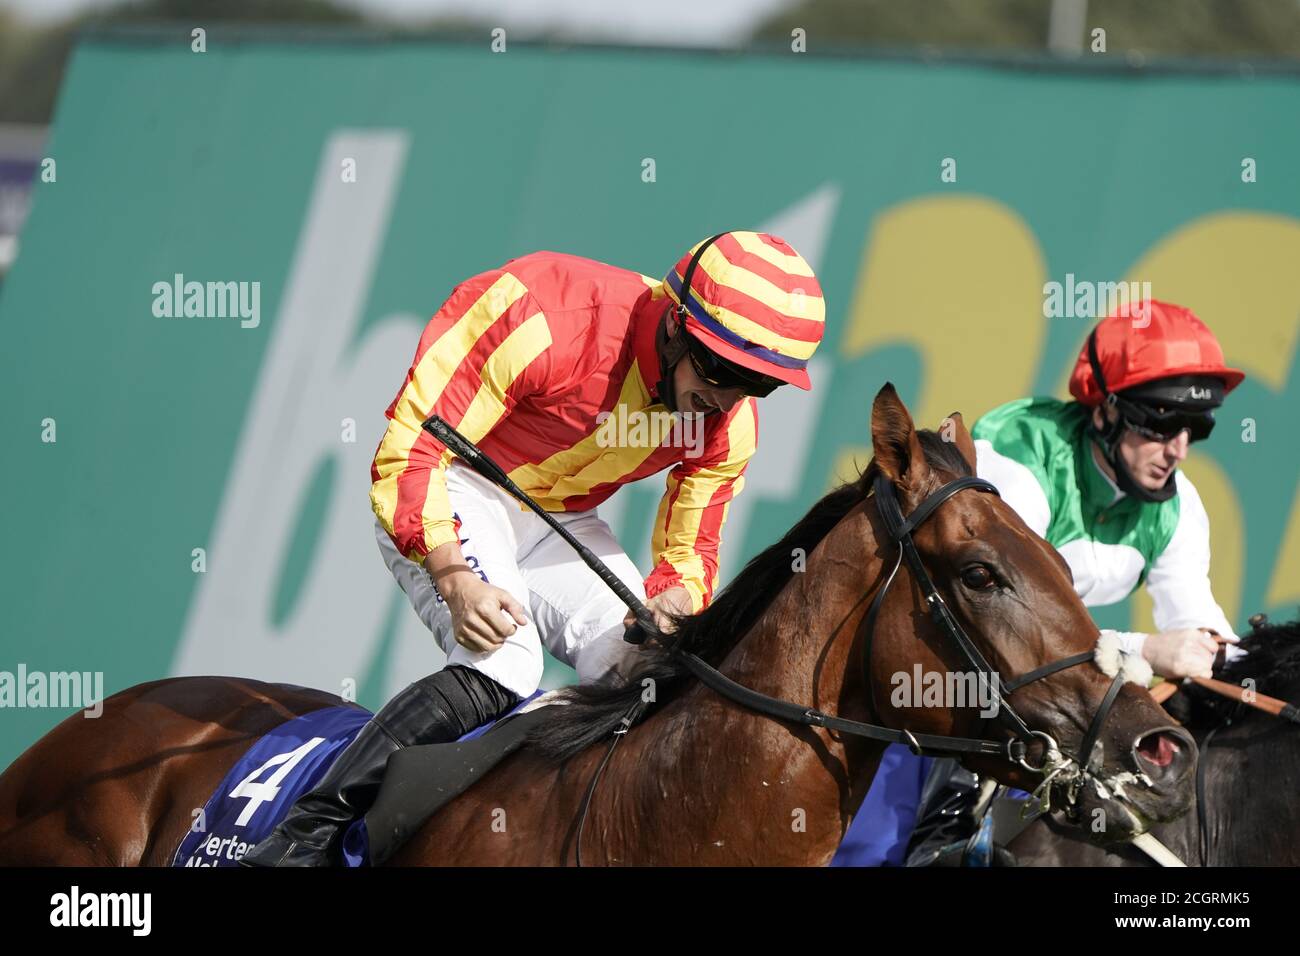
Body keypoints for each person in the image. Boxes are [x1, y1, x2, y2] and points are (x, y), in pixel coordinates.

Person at [242, 231, 825, 866]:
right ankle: (305, 834)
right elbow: (411, 445)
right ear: (675, 327)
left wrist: (674, 601)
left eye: (755, 385)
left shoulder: (725, 424)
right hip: (455, 482)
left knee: (655, 675)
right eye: (719, 369)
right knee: (506, 662)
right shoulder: (542, 312)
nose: (727, 399)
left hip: (561, 514)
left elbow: (691, 549)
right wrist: (453, 573)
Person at [834, 299, 1245, 866]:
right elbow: (1006, 618)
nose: (1176, 447)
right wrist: (1147, 650)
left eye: (1194, 427)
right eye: (1159, 422)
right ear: (1104, 410)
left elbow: (1199, 630)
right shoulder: (1023, 456)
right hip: (958, 670)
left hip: (1041, 685)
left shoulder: (1180, 505)